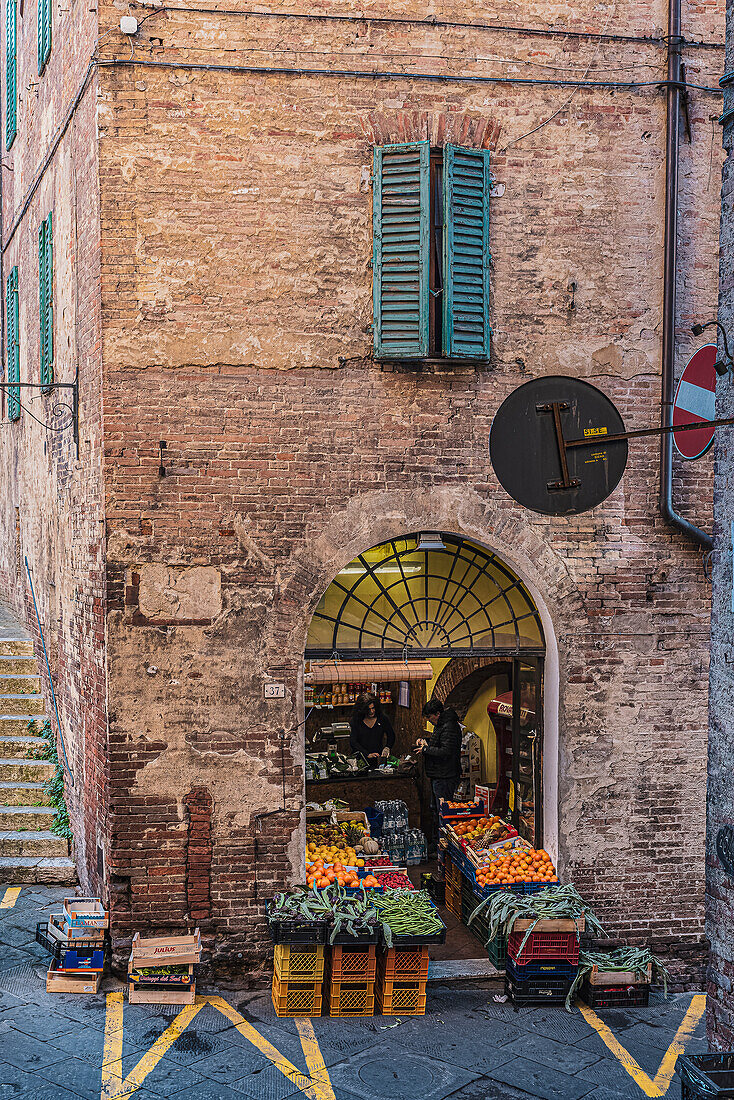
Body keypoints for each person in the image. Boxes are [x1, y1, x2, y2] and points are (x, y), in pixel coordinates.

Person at [416, 698, 462, 822]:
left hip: (446, 776)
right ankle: (437, 839)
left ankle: (443, 838)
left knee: (443, 811)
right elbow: (440, 743)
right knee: (435, 808)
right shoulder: (441, 724)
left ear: (437, 714)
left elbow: (446, 751)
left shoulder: (449, 726)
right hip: (439, 774)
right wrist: (426, 741)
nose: (429, 721)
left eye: (429, 717)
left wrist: (425, 750)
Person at [349, 692, 396, 764]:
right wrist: (367, 754)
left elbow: (391, 735)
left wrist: (387, 747)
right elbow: (353, 742)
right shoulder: (356, 720)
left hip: (378, 758)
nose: (371, 711)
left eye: (373, 708)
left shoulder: (382, 719)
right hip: (360, 759)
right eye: (368, 709)